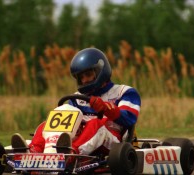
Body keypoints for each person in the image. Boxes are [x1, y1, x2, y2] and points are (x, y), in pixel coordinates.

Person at [13, 47, 141, 155]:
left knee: (95, 124)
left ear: (100, 70)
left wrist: (106, 108)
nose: (85, 80)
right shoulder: (77, 97)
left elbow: (129, 118)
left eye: (88, 75)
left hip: (113, 142)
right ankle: (33, 152)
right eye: (81, 77)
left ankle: (71, 153)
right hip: (83, 138)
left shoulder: (124, 92)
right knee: (47, 124)